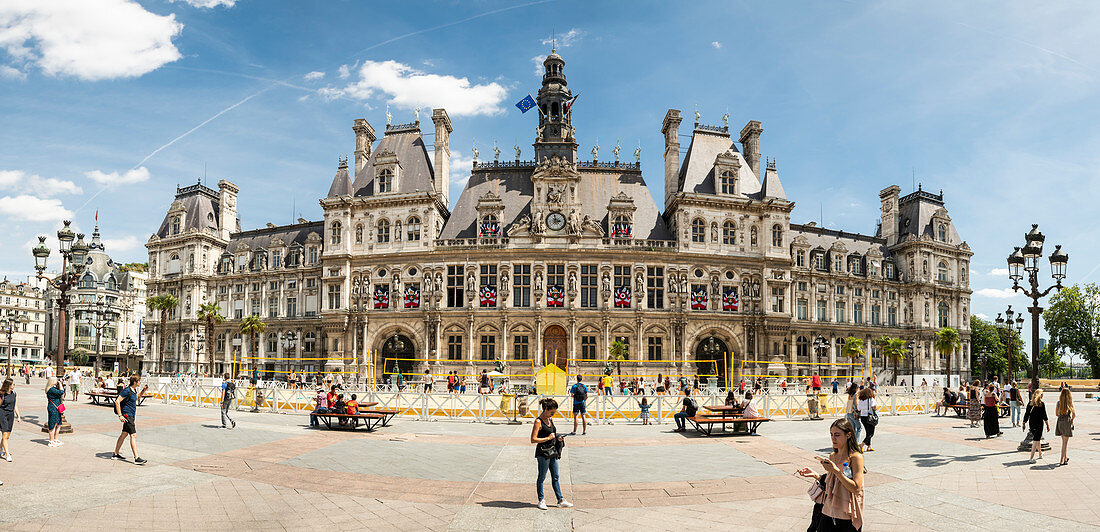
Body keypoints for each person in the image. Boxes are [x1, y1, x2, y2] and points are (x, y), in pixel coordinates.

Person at [796, 419, 865, 531]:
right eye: (831, 434)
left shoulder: (856, 457)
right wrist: (816, 475)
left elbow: (856, 488)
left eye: (837, 435)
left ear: (848, 435)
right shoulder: (833, 455)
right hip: (829, 508)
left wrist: (836, 471)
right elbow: (833, 482)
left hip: (846, 511)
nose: (833, 438)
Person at [530, 398, 572, 510]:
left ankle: (560, 500)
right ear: (545, 409)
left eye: (554, 412)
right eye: (551, 412)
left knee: (556, 476)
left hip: (552, 451)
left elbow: (552, 433)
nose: (553, 414)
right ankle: (541, 500)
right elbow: (533, 439)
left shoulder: (551, 420)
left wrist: (558, 438)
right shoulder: (538, 422)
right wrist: (547, 438)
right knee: (542, 477)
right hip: (543, 453)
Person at [112, 375, 150, 464]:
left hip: (131, 415)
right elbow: (117, 401)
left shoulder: (133, 391)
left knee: (124, 434)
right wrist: (120, 415)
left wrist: (143, 390)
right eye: (139, 381)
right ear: (134, 382)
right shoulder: (126, 390)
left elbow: (136, 398)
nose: (140, 382)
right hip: (127, 415)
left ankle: (115, 454)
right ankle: (136, 458)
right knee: (133, 435)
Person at [1022, 389, 1050, 463]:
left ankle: (1040, 453)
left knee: (1037, 439)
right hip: (1039, 424)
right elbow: (1045, 416)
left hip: (1032, 424)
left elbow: (1026, 414)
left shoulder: (1030, 404)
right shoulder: (1041, 404)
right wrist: (1047, 425)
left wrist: (1024, 423)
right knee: (1035, 440)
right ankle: (1031, 458)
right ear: (1040, 395)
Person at [1, 378, 21, 462]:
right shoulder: (2, 394)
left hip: (11, 415)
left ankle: (0, 448)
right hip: (2, 414)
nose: (14, 385)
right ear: (8, 385)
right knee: (5, 434)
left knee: (7, 436)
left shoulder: (14, 393)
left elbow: (15, 405)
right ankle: (7, 454)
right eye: (13, 384)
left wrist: (18, 416)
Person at [1054, 388, 1075, 466]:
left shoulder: (1058, 403)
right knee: (1065, 443)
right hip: (1067, 421)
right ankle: (1061, 460)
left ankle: (1065, 458)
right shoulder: (1070, 403)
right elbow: (1074, 415)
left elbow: (1056, 414)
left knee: (1063, 441)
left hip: (1060, 421)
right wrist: (1071, 420)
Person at [45, 376, 64, 447]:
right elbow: (62, 392)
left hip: (57, 407)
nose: (57, 381)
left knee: (58, 423)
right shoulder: (51, 389)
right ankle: (51, 441)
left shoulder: (54, 388)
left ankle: (55, 439)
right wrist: (61, 384)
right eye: (56, 380)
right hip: (53, 408)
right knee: (52, 424)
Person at [857, 387, 877, 451]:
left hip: (863, 417)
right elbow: (874, 407)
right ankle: (862, 445)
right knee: (871, 433)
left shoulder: (861, 400)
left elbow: (858, 408)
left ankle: (869, 446)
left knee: (868, 432)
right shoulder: (871, 399)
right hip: (869, 416)